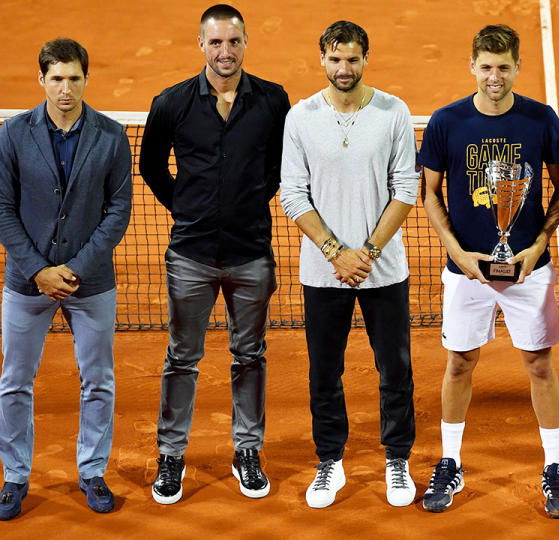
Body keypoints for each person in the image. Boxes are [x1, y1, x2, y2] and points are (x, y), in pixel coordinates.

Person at [419, 24, 559, 518]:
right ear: (472, 67)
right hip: (466, 270)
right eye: (486, 67)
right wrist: (458, 254)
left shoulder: (541, 120)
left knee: (539, 365)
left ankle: (554, 467)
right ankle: (450, 461)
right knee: (460, 363)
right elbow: (430, 193)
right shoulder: (446, 123)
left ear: (517, 68)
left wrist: (539, 244)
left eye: (503, 67)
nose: (494, 76)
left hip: (529, 268)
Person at [139, 4, 290, 504]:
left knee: (250, 356)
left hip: (251, 254)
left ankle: (247, 450)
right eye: (216, 42)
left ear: (246, 43)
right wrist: (188, 207)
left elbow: (279, 166)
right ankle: (171, 456)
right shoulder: (172, 103)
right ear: (200, 45)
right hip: (190, 255)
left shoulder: (272, 101)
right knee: (182, 357)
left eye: (234, 42)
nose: (225, 52)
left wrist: (247, 202)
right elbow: (152, 166)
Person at [279, 20, 419, 509]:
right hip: (324, 273)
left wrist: (369, 253)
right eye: (335, 59)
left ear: (366, 58)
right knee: (324, 373)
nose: (344, 68)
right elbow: (292, 194)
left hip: (384, 270)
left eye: (353, 59)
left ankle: (397, 460)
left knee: (395, 369)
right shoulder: (300, 117)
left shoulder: (393, 112)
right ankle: (330, 462)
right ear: (322, 58)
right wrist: (338, 253)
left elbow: (406, 188)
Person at [0, 38, 132, 518]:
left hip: (89, 283)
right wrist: (38, 269)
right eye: (56, 78)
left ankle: (92, 471)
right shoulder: (12, 135)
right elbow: (2, 208)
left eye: (74, 78)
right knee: (14, 381)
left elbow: (117, 212)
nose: (65, 88)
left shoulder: (112, 135)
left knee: (98, 380)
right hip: (25, 282)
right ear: (42, 80)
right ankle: (14, 477)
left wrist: (73, 269)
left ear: (86, 79)